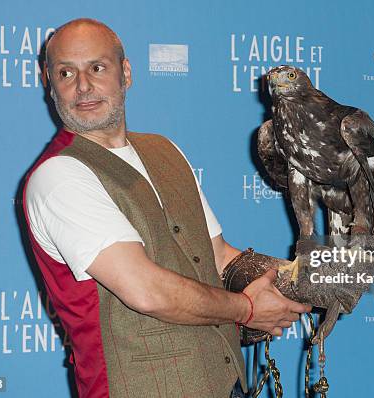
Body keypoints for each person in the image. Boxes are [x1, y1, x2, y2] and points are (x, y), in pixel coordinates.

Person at [22, 18, 310, 398]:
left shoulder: (164, 150)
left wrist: (305, 277)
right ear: (49, 81)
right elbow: (146, 291)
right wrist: (247, 309)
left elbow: (218, 256)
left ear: (125, 73)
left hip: (224, 382)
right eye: (66, 72)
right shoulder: (58, 176)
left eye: (97, 67)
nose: (83, 86)